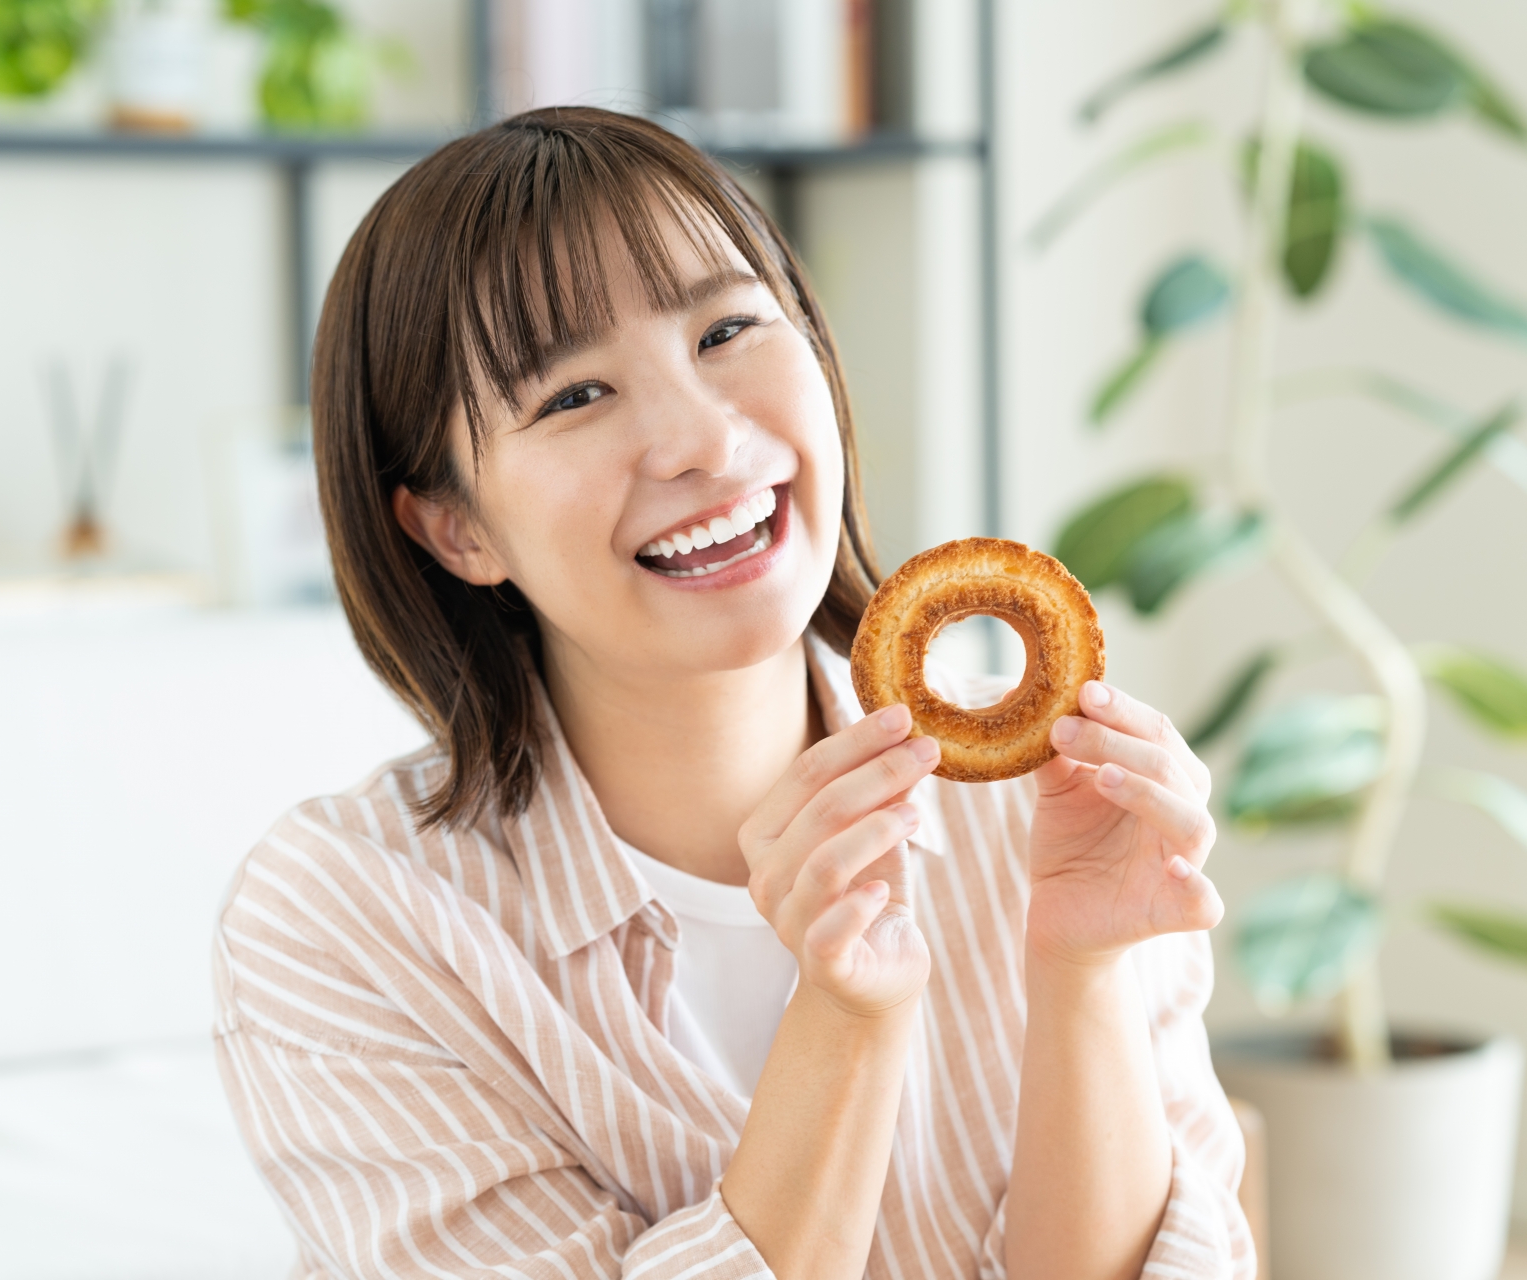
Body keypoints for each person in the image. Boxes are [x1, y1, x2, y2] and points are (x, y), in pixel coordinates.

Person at [212, 106, 1251, 1280]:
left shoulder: (1054, 798)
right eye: (570, 396)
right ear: (455, 526)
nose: (701, 440)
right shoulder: (347, 915)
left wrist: (1083, 971)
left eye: (727, 329)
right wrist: (844, 1020)